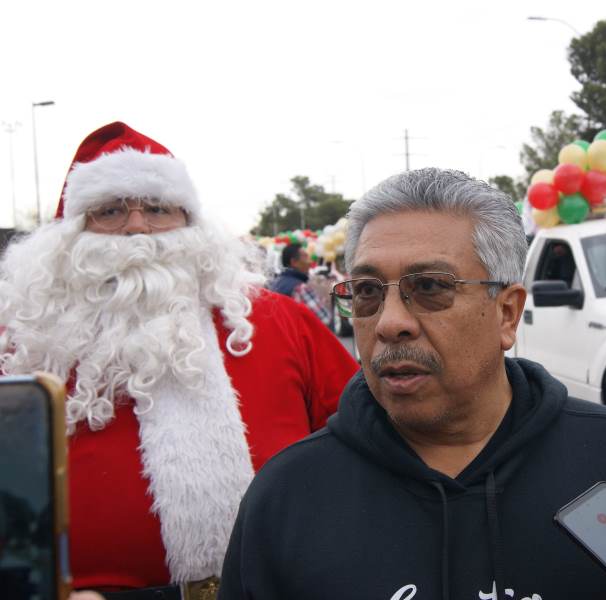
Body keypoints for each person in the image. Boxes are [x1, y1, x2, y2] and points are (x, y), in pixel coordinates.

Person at [218, 168, 606, 599]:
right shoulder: (289, 495)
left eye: (430, 286)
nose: (390, 321)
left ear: (507, 313)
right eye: (368, 292)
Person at [0, 122, 359, 596]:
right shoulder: (20, 342)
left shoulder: (279, 322)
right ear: (68, 235)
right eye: (108, 210)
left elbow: (370, 439)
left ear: (191, 221)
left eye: (156, 208)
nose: (135, 228)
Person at [269, 243, 332, 325]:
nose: (310, 262)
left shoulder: (275, 283)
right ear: (294, 262)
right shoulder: (300, 288)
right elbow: (324, 319)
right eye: (306, 257)